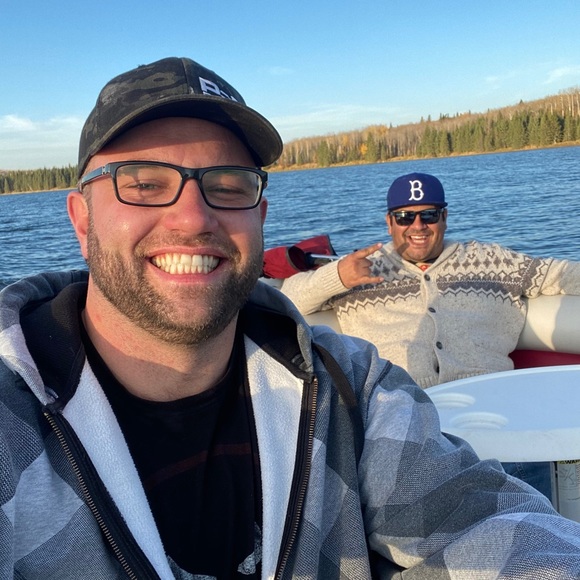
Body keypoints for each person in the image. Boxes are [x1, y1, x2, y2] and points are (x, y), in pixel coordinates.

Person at [2, 59, 580, 580]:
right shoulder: (13, 422)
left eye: (228, 185)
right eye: (144, 184)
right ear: (81, 219)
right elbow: (299, 295)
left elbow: (484, 525)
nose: (192, 217)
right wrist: (340, 275)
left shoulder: (363, 379)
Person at [281, 171, 580, 499]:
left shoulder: (492, 261)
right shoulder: (361, 270)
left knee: (528, 515)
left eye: (429, 215)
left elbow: (561, 274)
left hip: (499, 416)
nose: (418, 226)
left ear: (444, 218)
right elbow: (286, 300)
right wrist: (336, 276)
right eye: (405, 217)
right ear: (389, 222)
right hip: (403, 424)